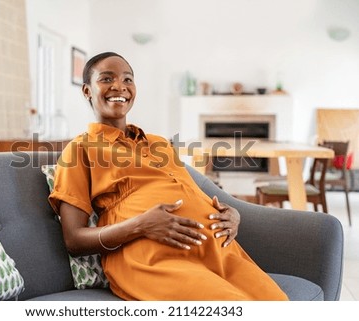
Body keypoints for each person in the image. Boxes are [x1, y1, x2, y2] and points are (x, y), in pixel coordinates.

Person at [48, 52, 288, 301]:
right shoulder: (80, 149)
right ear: (87, 91)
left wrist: (233, 214)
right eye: (107, 79)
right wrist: (141, 224)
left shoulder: (159, 144)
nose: (119, 86)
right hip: (151, 258)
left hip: (220, 251)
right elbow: (73, 240)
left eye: (128, 80)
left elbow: (189, 194)